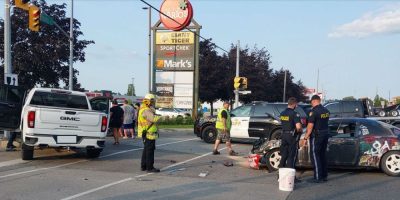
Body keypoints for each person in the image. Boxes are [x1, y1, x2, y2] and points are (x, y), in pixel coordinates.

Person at [303, 95, 330, 183]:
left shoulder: (313, 112)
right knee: (322, 154)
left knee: (315, 155)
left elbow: (310, 126)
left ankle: (318, 177)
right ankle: (324, 175)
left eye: (311, 102)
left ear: (314, 101)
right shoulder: (326, 110)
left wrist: (305, 137)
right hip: (325, 134)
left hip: (317, 135)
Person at [279, 97, 303, 182]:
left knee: (284, 155)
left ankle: (280, 175)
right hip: (291, 137)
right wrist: (300, 131)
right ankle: (291, 177)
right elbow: (298, 127)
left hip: (284, 135)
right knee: (291, 157)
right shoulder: (295, 114)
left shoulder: (282, 113)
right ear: (295, 104)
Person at [138, 94, 160, 173]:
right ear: (149, 101)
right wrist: (160, 117)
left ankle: (144, 166)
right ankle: (150, 167)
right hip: (149, 132)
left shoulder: (144, 108)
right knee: (150, 150)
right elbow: (153, 119)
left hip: (146, 132)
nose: (153, 102)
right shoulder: (146, 110)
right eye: (152, 101)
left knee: (146, 150)